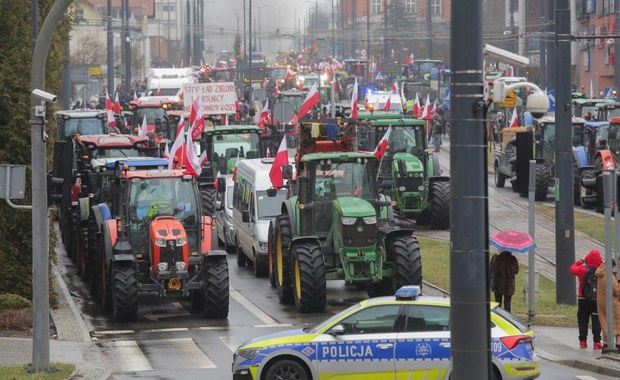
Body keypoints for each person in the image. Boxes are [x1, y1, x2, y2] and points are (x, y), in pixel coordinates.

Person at [570, 249, 603, 349]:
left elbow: (571, 268)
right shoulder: (601, 272)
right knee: (596, 320)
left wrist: (581, 260)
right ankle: (597, 342)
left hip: (583, 299)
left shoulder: (582, 270)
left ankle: (583, 341)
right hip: (596, 299)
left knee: (583, 320)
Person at [595, 258, 619, 350]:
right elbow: (616, 291)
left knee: (605, 323)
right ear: (612, 266)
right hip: (610, 303)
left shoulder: (600, 273)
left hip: (601, 302)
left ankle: (605, 345)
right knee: (616, 325)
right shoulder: (609, 276)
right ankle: (617, 347)